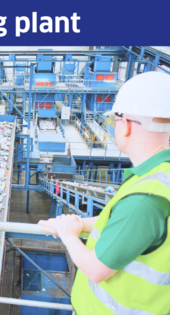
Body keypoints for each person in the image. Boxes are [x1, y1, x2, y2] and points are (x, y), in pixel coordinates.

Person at [38, 71, 170, 315]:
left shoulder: (146, 198)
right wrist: (80, 223)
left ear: (127, 125)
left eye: (114, 121)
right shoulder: (158, 176)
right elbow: (126, 224)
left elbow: (96, 270)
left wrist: (69, 234)